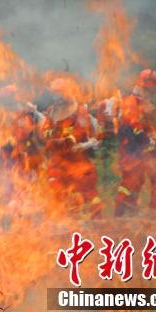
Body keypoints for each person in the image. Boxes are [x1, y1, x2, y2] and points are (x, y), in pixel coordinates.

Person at [43, 78, 103, 218]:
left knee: (86, 188)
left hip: (77, 158)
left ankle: (98, 220)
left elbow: (82, 130)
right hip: (59, 159)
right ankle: (63, 220)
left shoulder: (79, 110)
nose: (56, 96)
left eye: (58, 93)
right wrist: (51, 140)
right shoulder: (52, 111)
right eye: (54, 93)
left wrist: (68, 140)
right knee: (55, 187)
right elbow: (46, 130)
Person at [114, 69, 156, 215]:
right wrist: (147, 141)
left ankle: (154, 211)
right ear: (149, 84)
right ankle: (120, 212)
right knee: (131, 180)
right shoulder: (132, 101)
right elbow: (135, 126)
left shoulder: (143, 102)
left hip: (141, 149)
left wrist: (154, 143)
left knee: (150, 178)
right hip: (131, 149)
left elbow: (146, 127)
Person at [0, 84, 46, 174]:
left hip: (32, 153)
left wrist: (31, 129)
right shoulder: (3, 116)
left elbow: (44, 126)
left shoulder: (31, 112)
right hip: (12, 156)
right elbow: (1, 138)